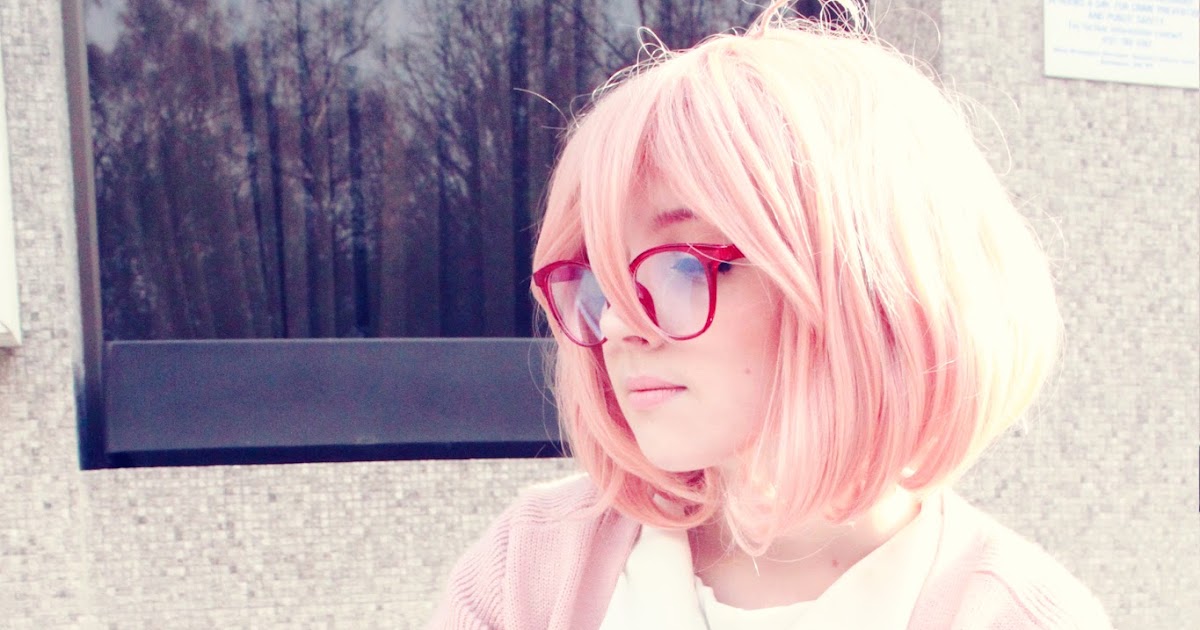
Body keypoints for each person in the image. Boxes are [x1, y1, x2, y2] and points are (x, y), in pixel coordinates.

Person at [430, 1, 1111, 628]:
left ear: (868, 282)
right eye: (598, 278)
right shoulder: (533, 566)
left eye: (680, 264)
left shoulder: (1015, 614)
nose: (615, 325)